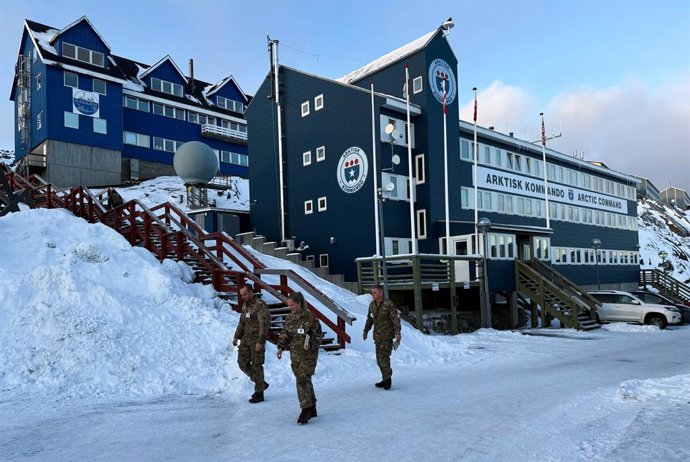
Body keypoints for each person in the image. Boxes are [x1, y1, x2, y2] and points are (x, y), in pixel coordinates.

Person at [276, 292, 323, 424]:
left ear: (299, 303)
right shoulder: (289, 318)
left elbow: (319, 336)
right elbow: (285, 334)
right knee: (304, 380)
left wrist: (311, 342)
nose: (290, 307)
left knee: (302, 378)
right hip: (295, 355)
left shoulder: (310, 318)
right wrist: (280, 347)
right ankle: (312, 406)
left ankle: (305, 409)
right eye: (288, 305)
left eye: (292, 305)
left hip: (309, 355)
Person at [232, 284, 271, 403]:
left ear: (251, 292)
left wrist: (260, 341)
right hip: (245, 340)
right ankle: (261, 383)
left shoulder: (260, 305)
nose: (242, 297)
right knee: (242, 363)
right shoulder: (245, 305)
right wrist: (236, 336)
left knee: (257, 365)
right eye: (241, 294)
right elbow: (242, 323)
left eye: (244, 294)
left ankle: (259, 393)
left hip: (256, 341)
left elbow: (264, 324)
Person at [363, 284, 401, 390]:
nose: (372, 294)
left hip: (387, 335)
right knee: (379, 359)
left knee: (384, 357)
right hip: (377, 336)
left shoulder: (389, 304)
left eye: (374, 292)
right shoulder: (372, 305)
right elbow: (369, 319)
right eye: (372, 292)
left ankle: (388, 380)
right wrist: (366, 331)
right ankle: (385, 379)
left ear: (380, 293)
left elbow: (395, 319)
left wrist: (398, 332)